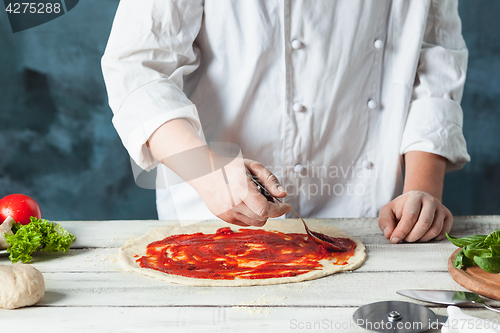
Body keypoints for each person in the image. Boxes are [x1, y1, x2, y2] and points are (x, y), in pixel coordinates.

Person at [102, 0, 469, 243]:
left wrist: (421, 190)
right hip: (216, 213)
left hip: (372, 220)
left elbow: (436, 58)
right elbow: (137, 67)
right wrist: (206, 171)